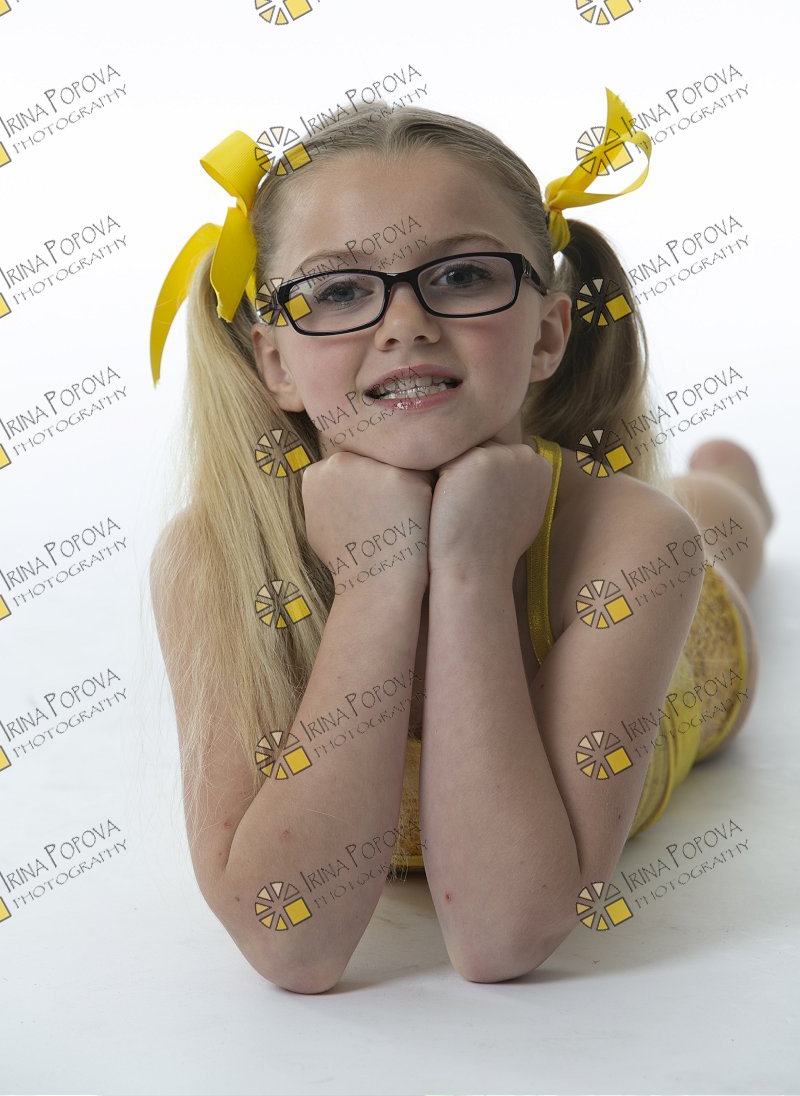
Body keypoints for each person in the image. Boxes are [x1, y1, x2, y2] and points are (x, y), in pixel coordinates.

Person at [148, 92, 773, 994]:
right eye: (339, 290)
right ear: (275, 361)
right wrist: (378, 581)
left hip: (688, 663)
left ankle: (733, 473)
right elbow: (291, 946)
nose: (404, 322)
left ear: (548, 332)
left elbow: (501, 936)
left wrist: (473, 573)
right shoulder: (217, 559)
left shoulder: (636, 542)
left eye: (464, 276)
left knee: (717, 522)